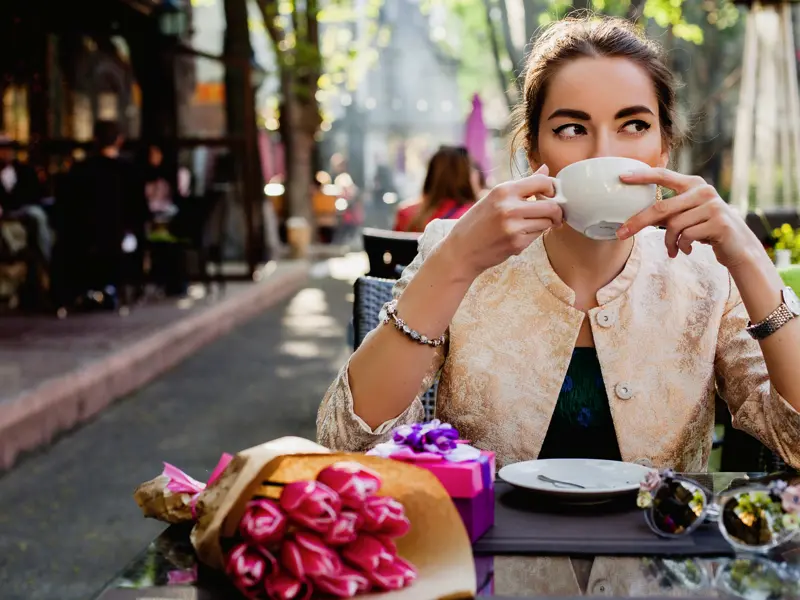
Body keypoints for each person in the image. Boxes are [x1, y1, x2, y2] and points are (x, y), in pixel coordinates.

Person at [317, 16, 800, 471]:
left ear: (664, 148)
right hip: (493, 553)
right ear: (534, 150)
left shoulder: (708, 274)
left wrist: (748, 256)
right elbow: (346, 445)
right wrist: (456, 262)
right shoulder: (460, 252)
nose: (604, 154)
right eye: (572, 129)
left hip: (656, 553)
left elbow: (794, 441)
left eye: (634, 125)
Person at [56, 120, 147, 309]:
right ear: (119, 141)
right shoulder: (128, 172)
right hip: (118, 241)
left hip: (83, 242)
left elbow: (65, 210)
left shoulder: (80, 171)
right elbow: (140, 212)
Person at [392, 146, 477, 233]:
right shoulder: (473, 217)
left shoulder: (405, 213)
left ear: (431, 174)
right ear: (465, 176)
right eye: (472, 169)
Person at [0, 136, 51, 263]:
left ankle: (48, 257)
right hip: (3, 211)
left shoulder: (24, 171)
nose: (6, 153)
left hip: (23, 208)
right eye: (2, 149)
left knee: (37, 214)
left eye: (9, 149)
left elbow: (35, 194)